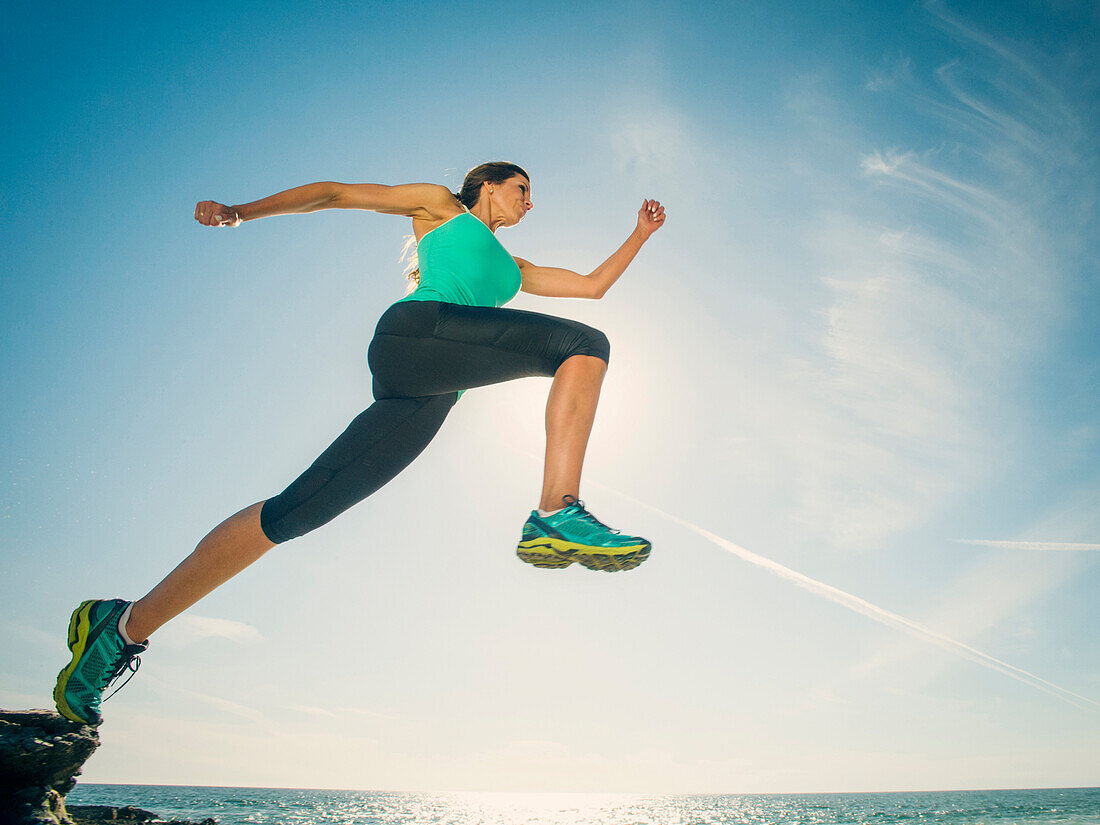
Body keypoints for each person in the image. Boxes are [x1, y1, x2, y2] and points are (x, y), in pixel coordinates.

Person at [54, 161, 667, 726]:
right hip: (414, 337)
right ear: (486, 185)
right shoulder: (440, 209)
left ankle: (120, 627)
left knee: (295, 514)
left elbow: (590, 285)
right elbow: (334, 194)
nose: (530, 202)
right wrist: (240, 211)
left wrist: (640, 234)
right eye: (522, 189)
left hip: (429, 393)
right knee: (583, 345)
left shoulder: (515, 269)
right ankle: (557, 512)